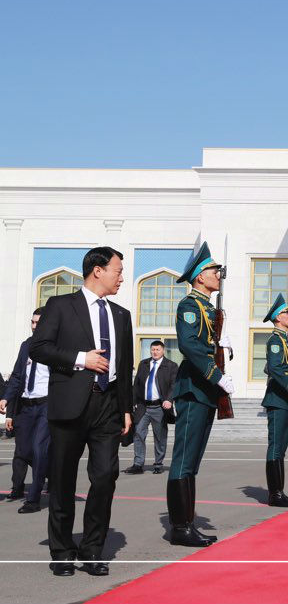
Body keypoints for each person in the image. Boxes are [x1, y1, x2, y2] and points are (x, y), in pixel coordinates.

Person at [30, 246, 133, 577]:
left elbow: (125, 365)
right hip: (71, 405)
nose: (121, 277)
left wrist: (126, 408)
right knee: (62, 481)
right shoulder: (61, 306)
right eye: (118, 270)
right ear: (98, 270)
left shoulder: (121, 315)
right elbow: (39, 347)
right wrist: (80, 358)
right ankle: (61, 551)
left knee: (104, 478)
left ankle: (92, 550)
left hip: (108, 407)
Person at [166, 241, 235, 547]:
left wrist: (222, 347)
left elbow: (207, 345)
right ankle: (180, 527)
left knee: (192, 462)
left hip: (204, 391)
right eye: (212, 270)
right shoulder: (190, 306)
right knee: (183, 461)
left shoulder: (208, 307)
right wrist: (216, 375)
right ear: (198, 277)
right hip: (193, 388)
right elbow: (190, 346)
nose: (217, 274)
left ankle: (187, 522)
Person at [1, 308, 51, 513]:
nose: (34, 326)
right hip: (26, 406)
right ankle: (54, 472)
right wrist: (6, 397)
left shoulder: (55, 347)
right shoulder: (26, 346)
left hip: (47, 405)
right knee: (24, 450)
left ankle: (33, 498)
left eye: (38, 323)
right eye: (32, 322)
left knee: (39, 449)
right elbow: (17, 375)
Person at [261, 294, 288, 507]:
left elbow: (287, 369)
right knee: (276, 447)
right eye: (287, 313)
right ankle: (275, 494)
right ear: (278, 317)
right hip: (278, 399)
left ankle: (279, 490)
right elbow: (277, 370)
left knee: (282, 448)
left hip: (285, 400)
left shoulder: (287, 341)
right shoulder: (275, 340)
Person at [125, 340, 177, 475]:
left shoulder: (171, 366)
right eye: (153, 349)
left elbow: (174, 385)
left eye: (157, 349)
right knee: (138, 434)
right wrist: (132, 402)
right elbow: (136, 385)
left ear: (163, 350)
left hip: (159, 407)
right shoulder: (144, 364)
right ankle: (138, 464)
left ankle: (158, 463)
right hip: (143, 406)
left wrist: (169, 400)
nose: (155, 352)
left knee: (160, 437)